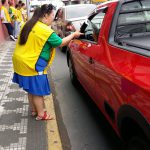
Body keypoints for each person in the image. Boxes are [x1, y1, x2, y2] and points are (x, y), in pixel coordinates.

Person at [12, 4, 82, 121]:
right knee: (38, 91)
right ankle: (41, 114)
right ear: (45, 15)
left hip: (21, 60)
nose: (53, 18)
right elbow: (61, 43)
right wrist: (74, 34)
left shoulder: (28, 24)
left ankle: (34, 110)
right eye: (53, 15)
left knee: (31, 88)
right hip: (32, 63)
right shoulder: (44, 30)